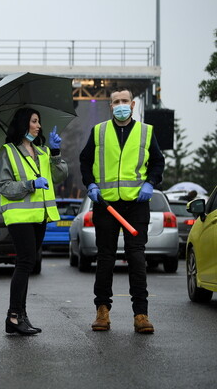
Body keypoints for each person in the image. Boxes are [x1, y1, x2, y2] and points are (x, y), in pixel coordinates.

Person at [79, 87, 165, 334]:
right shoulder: (99, 131)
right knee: (105, 258)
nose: (120, 105)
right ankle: (102, 311)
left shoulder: (146, 132)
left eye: (124, 101)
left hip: (136, 204)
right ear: (110, 106)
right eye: (116, 102)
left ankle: (141, 314)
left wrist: (151, 182)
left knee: (136, 257)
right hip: (106, 204)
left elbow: (158, 162)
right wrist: (90, 184)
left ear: (133, 104)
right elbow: (85, 161)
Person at [0, 107, 68, 335]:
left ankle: (21, 316)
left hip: (40, 216)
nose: (38, 126)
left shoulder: (43, 152)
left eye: (39, 122)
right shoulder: (7, 151)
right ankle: (14, 317)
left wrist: (56, 152)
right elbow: (5, 187)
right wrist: (30, 185)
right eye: (34, 121)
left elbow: (60, 176)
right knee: (25, 262)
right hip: (19, 216)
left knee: (28, 264)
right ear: (23, 124)